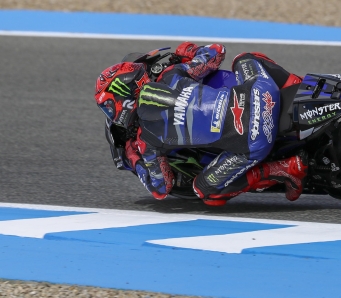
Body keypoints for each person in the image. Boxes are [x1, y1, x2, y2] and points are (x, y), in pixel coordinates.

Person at [94, 42, 307, 206]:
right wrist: (187, 53)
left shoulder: (145, 140)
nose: (111, 113)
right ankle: (301, 88)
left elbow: (162, 188)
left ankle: (285, 168)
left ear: (124, 100)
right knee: (244, 58)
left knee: (204, 190)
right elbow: (217, 52)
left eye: (110, 108)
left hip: (254, 140)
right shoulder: (173, 74)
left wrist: (133, 158)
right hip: (262, 93)